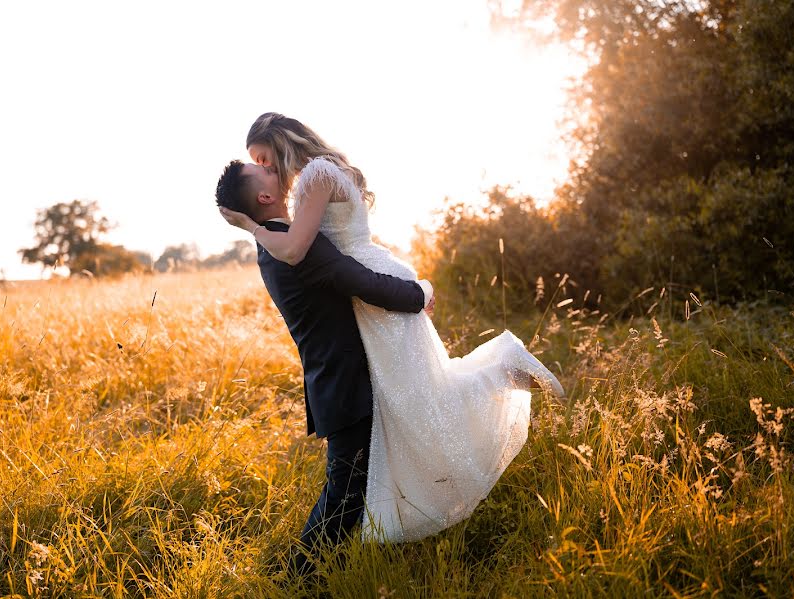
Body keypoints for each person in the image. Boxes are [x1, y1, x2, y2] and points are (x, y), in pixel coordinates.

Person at [219, 112, 565, 545]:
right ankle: (500, 373)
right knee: (417, 401)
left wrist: (248, 224)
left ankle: (501, 368)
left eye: (264, 158)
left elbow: (297, 251)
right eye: (258, 164)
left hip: (371, 288)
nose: (267, 169)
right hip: (369, 290)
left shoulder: (313, 179)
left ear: (281, 142)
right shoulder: (315, 179)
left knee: (422, 399)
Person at [215, 159, 434, 576]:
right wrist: (418, 292)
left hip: (337, 379)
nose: (269, 166)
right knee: (345, 493)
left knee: (352, 487)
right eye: (259, 167)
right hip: (343, 383)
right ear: (264, 196)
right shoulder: (293, 247)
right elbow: (361, 282)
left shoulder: (277, 241)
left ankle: (311, 570)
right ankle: (296, 578)